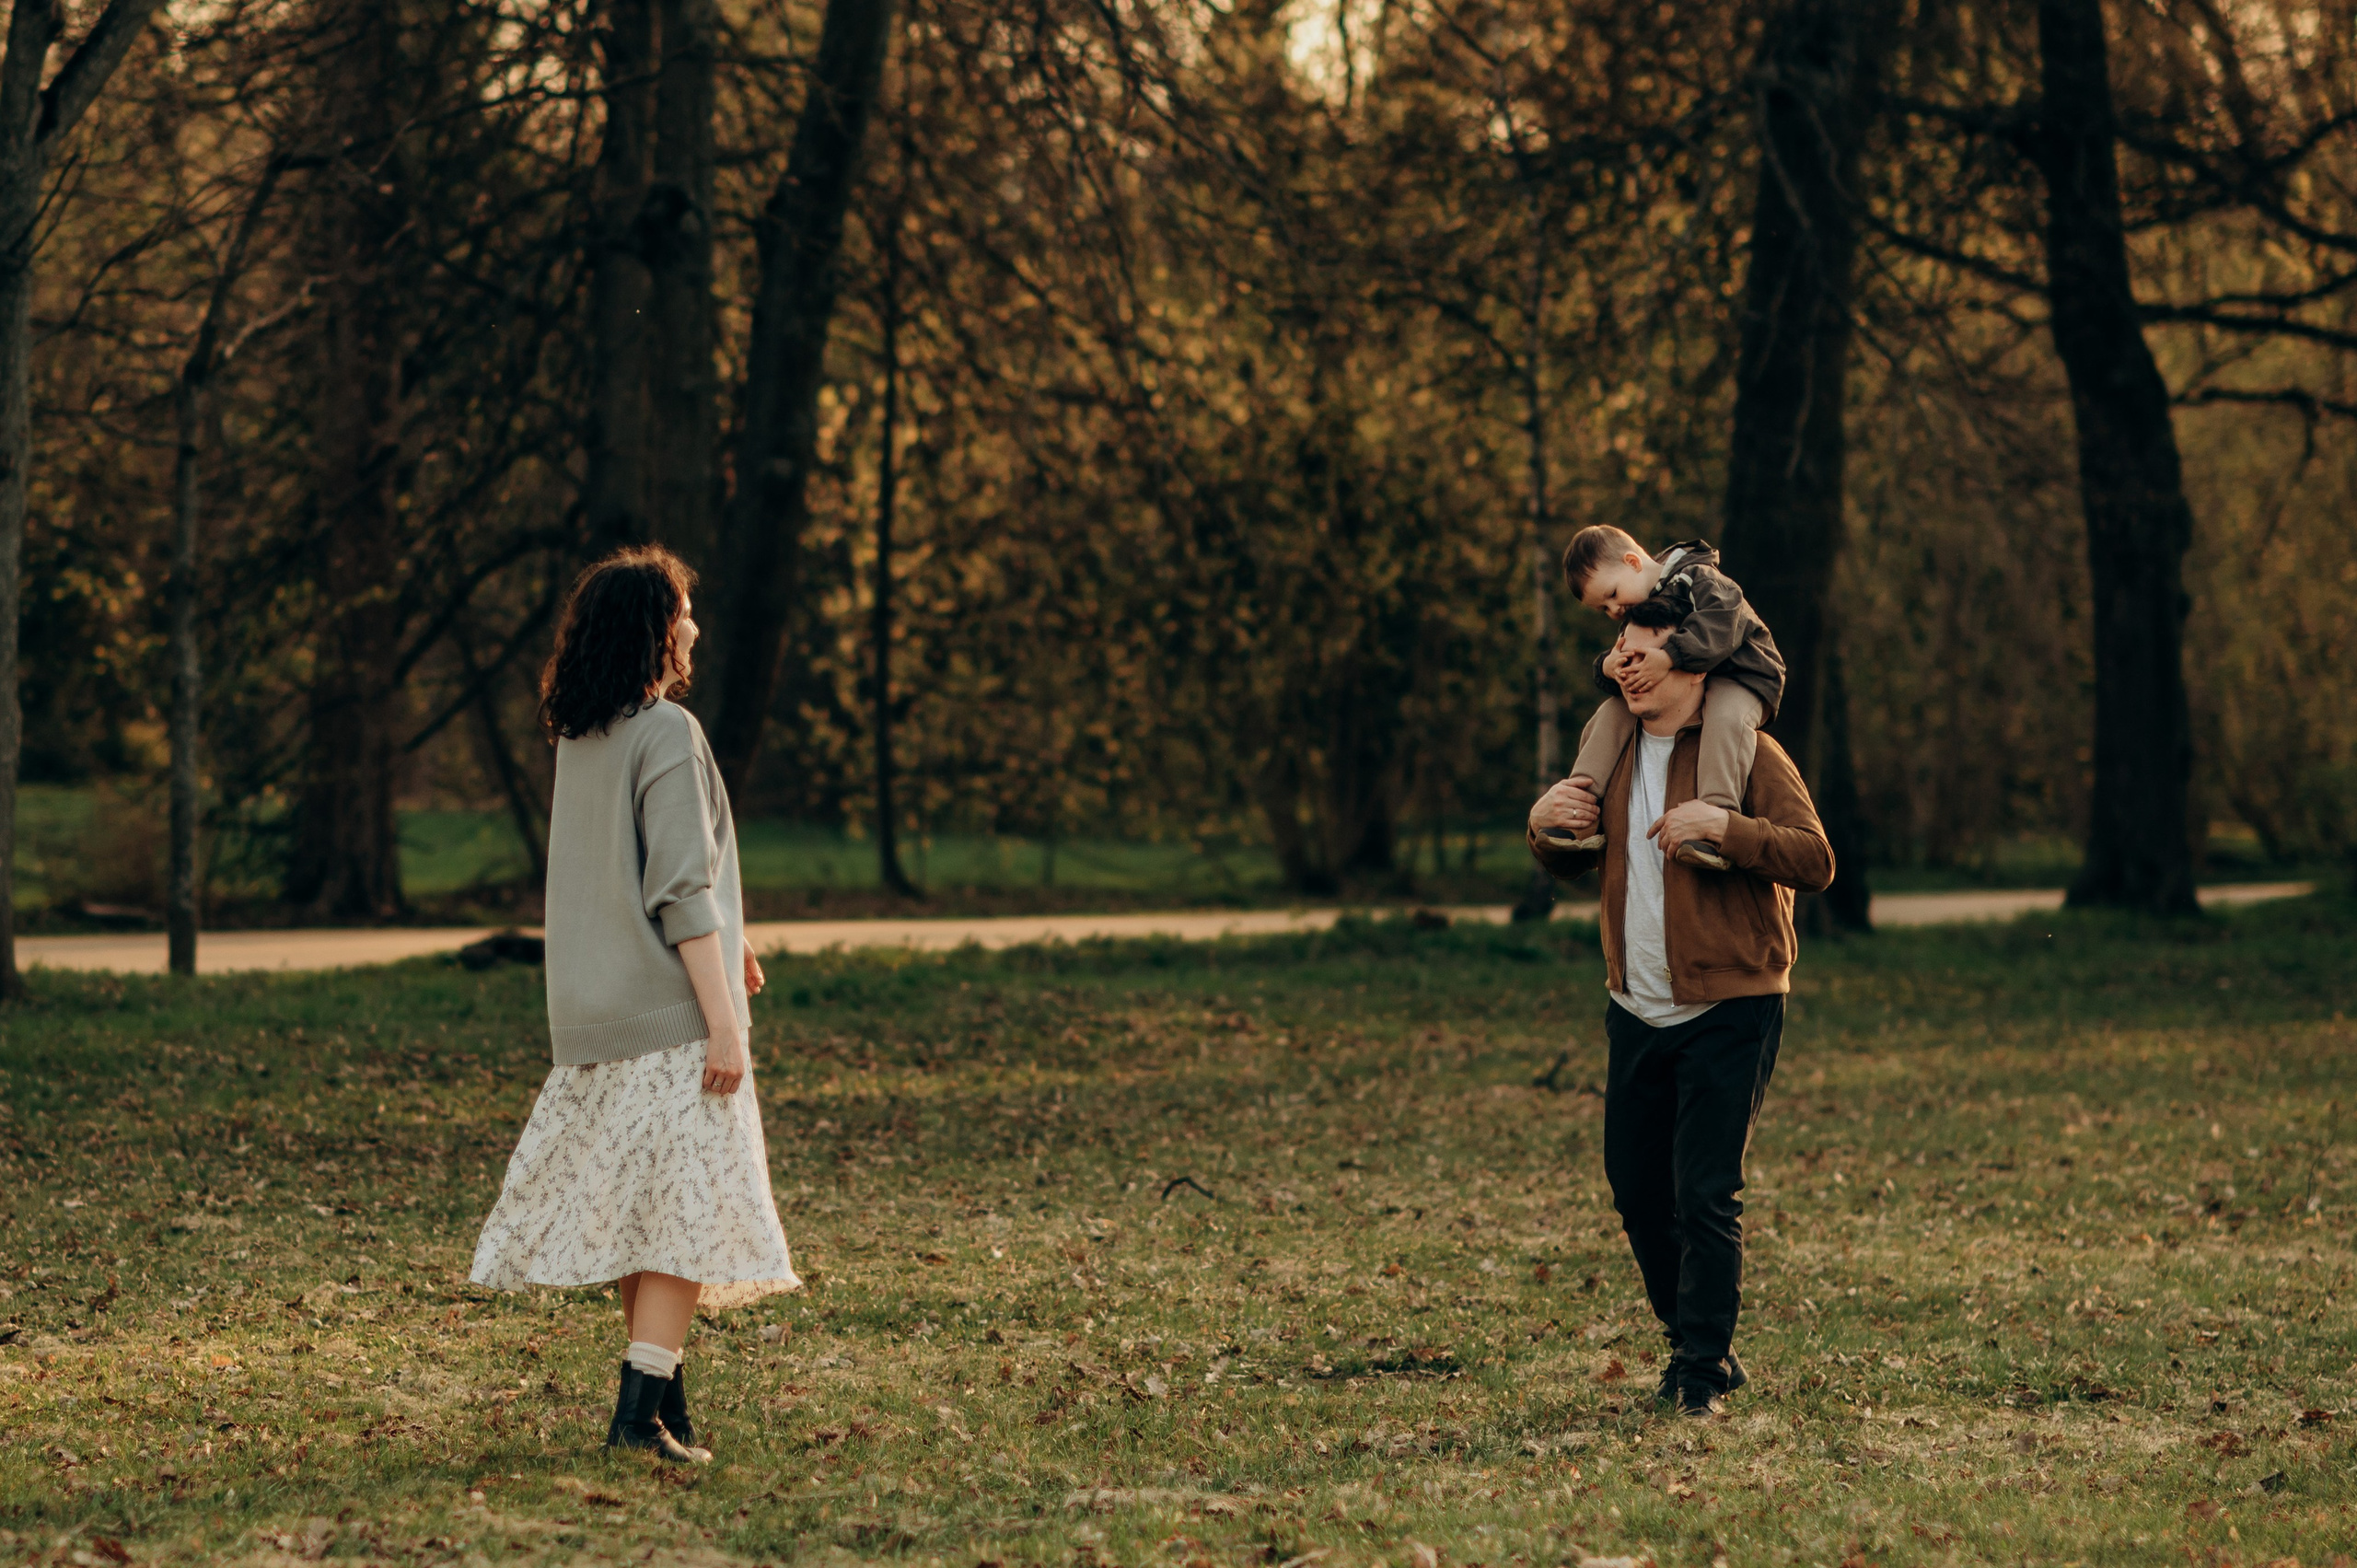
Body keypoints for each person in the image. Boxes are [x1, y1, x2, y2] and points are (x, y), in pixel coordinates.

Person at [470, 545, 799, 1465]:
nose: (695, 622)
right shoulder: (666, 732)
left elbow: (631, 873)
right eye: (685, 608)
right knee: (685, 1216)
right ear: (659, 627)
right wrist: (724, 1017)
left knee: (651, 1212)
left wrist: (730, 939)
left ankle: (663, 1407)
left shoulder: (586, 736)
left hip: (591, 1015)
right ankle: (634, 1418)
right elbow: (680, 887)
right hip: (666, 1018)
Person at [1526, 604, 1832, 1419]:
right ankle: (1703, 1342)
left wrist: (1725, 828)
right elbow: (1572, 858)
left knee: (1704, 1191)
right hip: (1635, 1004)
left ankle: (1697, 1372)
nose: (1624, 665)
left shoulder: (1751, 751)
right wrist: (1542, 828)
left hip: (1732, 1001)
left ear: (1694, 665)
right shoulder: (1614, 749)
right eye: (1618, 652)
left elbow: (1816, 858)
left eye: (1643, 653)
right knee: (1635, 1185)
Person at [1553, 527, 1786, 870]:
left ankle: (1714, 820)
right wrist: (1609, 666)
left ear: (1633, 562)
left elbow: (1721, 627)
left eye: (1612, 595)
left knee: (1725, 718)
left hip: (1742, 673)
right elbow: (1633, 659)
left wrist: (1669, 656)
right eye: (1603, 608)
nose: (1615, 610)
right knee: (1612, 711)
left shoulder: (1700, 577)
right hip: (1691, 681)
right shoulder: (1641, 603)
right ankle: (1579, 809)